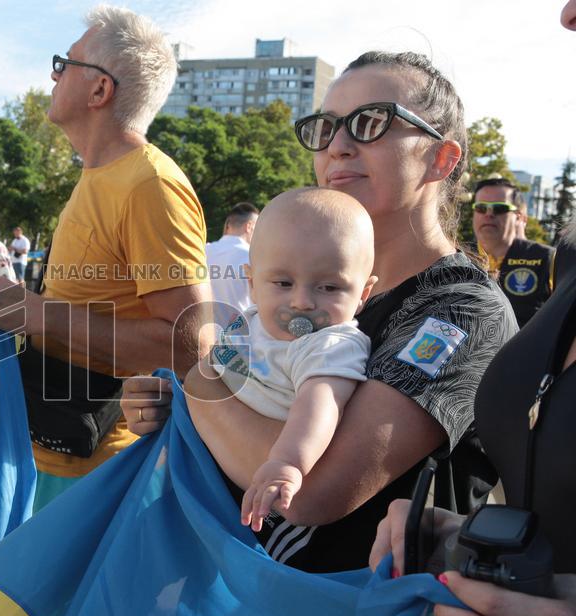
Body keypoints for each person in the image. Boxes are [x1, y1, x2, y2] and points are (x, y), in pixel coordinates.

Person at [122, 50, 515, 572]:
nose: (337, 146)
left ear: (441, 158)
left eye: (371, 122)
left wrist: (200, 385)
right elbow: (256, 396)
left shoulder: (460, 310)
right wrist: (176, 405)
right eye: (325, 128)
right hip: (252, 593)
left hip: (363, 612)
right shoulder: (313, 289)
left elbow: (310, 493)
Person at [365, 5, 576, 616]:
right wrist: (464, 539)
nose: (566, 14)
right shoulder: (573, 258)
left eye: (371, 123)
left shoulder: (471, 298)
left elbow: (321, 488)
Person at [0, 5, 210, 509]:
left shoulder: (150, 185)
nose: (53, 75)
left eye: (65, 63)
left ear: (100, 90)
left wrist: (37, 313)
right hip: (50, 450)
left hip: (98, 476)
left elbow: (190, 344)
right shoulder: (101, 175)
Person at [194, 188, 377, 532]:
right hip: (204, 454)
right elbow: (212, 369)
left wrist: (286, 462)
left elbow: (320, 403)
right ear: (252, 282)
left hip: (257, 487)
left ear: (363, 294)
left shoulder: (331, 343)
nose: (301, 301)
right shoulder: (250, 321)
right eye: (282, 282)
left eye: (329, 288)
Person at [472, 176, 555, 327]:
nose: (488, 214)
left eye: (500, 208)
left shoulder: (547, 258)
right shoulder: (456, 256)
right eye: (481, 208)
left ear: (518, 217)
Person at [205, 202, 258, 326]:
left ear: (228, 225)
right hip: (242, 332)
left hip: (207, 331)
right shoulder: (252, 256)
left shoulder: (204, 251)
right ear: (249, 226)